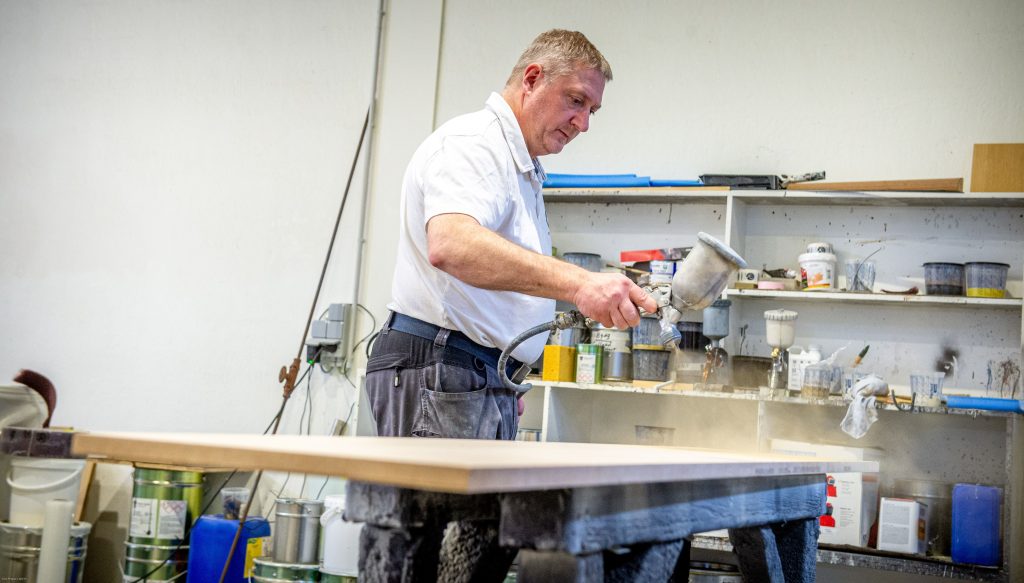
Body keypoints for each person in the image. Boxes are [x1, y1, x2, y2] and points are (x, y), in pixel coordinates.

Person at [365, 29, 657, 441]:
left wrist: (504, 371)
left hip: (478, 374)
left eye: (592, 110)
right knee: (445, 490)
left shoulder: (521, 165)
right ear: (532, 79)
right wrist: (580, 284)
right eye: (576, 100)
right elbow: (452, 245)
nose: (584, 123)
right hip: (444, 366)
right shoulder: (475, 144)